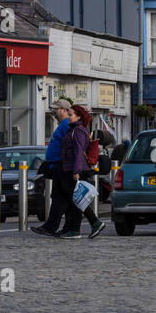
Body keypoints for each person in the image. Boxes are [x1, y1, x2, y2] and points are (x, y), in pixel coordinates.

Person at [58, 104, 105, 239]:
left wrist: (76, 170)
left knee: (78, 200)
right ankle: (79, 228)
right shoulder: (73, 129)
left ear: (78, 116)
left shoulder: (78, 130)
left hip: (77, 169)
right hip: (71, 168)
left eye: (71, 114)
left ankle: (92, 223)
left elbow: (79, 151)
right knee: (76, 200)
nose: (68, 117)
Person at [33, 99, 74, 236]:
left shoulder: (66, 125)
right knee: (65, 198)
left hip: (62, 166)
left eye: (55, 110)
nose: (53, 113)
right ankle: (68, 228)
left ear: (63, 110)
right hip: (58, 165)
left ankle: (52, 227)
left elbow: (70, 145)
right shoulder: (63, 125)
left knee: (60, 197)